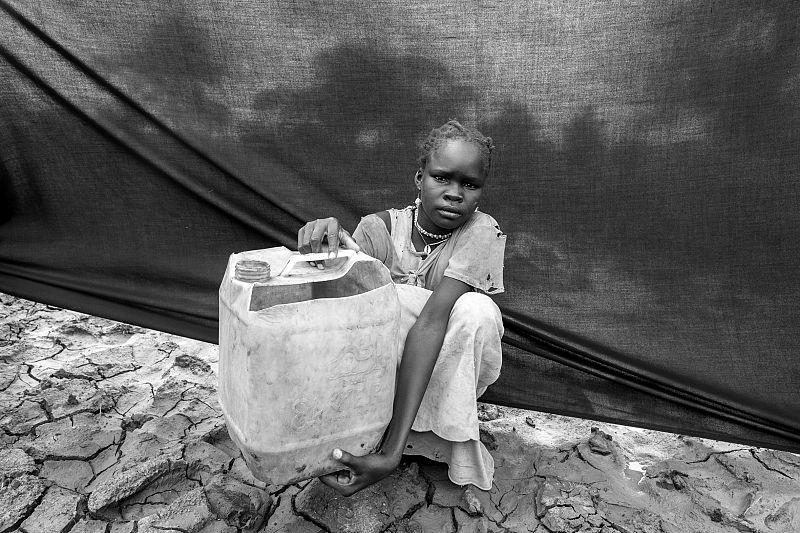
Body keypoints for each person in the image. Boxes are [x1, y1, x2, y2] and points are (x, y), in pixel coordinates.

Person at [297, 120, 506, 496]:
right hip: (376, 386)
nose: (455, 194)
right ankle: (365, 432)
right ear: (419, 178)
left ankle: (410, 441)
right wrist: (330, 248)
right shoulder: (378, 229)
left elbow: (430, 324)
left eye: (470, 185)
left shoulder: (481, 232)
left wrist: (391, 455)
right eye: (442, 178)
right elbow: (341, 317)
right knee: (367, 300)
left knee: (477, 310)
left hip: (441, 372)